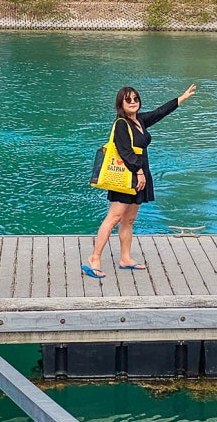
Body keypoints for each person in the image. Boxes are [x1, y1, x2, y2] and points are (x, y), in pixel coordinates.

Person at [83, 83, 196, 278]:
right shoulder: (121, 124)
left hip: (140, 177)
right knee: (114, 218)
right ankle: (94, 258)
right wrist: (140, 173)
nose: (133, 102)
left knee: (129, 219)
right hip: (128, 177)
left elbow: (160, 112)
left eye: (136, 99)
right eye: (128, 100)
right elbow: (125, 153)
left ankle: (125, 258)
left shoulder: (140, 121)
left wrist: (181, 98)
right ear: (121, 103)